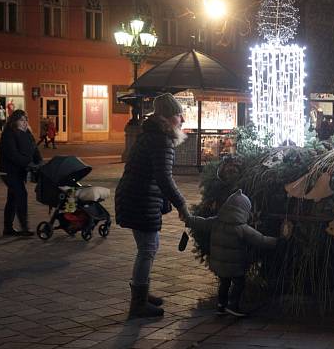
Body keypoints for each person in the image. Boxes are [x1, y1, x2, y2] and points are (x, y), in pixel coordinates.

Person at [115, 93, 190, 319]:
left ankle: (142, 291)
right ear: (168, 117)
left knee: (149, 246)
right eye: (179, 115)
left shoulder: (151, 134)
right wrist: (181, 205)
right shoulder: (162, 139)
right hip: (140, 199)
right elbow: (164, 177)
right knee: (147, 249)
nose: (182, 120)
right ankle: (138, 304)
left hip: (136, 196)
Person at [180, 189, 277, 317]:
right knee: (239, 283)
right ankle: (233, 305)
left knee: (224, 283)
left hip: (219, 263)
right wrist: (278, 241)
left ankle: (221, 306)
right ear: (244, 210)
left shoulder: (215, 222)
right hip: (235, 265)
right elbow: (261, 239)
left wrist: (188, 219)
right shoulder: (242, 228)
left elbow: (201, 222)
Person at [0, 109, 42, 236]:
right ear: (14, 121)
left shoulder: (27, 133)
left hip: (19, 171)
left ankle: (8, 228)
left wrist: (39, 162)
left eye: (26, 119)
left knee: (13, 198)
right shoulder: (9, 134)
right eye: (22, 120)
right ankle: (24, 227)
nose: (24, 122)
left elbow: (34, 149)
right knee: (21, 195)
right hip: (8, 171)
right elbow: (13, 155)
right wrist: (27, 163)